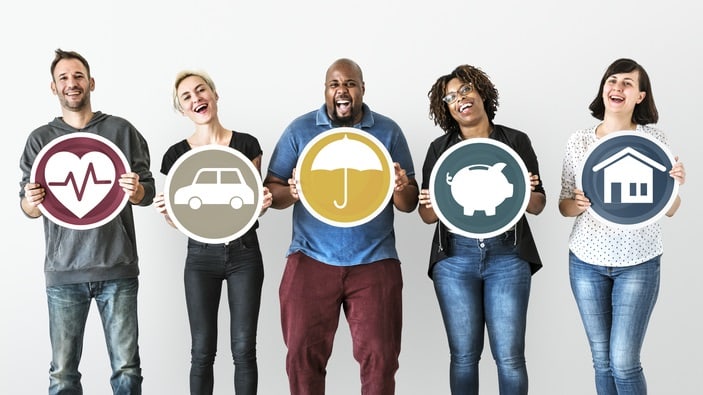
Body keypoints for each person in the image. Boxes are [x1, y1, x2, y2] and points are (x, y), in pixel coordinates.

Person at [264, 58, 418, 395]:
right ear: (325, 91)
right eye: (334, 84)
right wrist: (290, 191)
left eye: (349, 83)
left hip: (375, 260)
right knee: (302, 357)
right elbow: (271, 192)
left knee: (381, 357)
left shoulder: (388, 131)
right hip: (310, 258)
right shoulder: (300, 130)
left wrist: (400, 186)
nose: (342, 90)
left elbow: (408, 204)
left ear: (362, 89)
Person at [18, 49, 154, 394]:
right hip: (64, 271)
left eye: (78, 76)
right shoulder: (40, 139)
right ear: (53, 87)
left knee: (127, 370)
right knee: (63, 374)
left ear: (91, 82)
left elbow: (148, 192)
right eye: (63, 77)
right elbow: (29, 206)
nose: (71, 83)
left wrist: (137, 191)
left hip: (117, 267)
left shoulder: (121, 131)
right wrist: (30, 203)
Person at [558, 58, 685, 394]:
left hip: (639, 262)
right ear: (603, 89)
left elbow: (670, 209)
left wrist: (674, 185)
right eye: (612, 80)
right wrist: (577, 203)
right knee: (602, 361)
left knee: (624, 362)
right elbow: (564, 206)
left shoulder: (653, 139)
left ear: (640, 96)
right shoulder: (579, 141)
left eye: (628, 83)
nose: (617, 87)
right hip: (586, 262)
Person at [418, 64, 546, 395]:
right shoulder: (439, 149)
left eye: (465, 90)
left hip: (508, 255)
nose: (460, 98)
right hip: (455, 258)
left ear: (481, 93)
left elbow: (538, 205)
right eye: (450, 97)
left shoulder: (515, 141)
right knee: (463, 357)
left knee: (510, 359)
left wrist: (527, 191)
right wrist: (428, 201)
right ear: (445, 108)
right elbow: (428, 216)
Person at [153, 70, 273, 395]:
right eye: (186, 97)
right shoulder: (176, 156)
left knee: (244, 349)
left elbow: (250, 207)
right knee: (202, 351)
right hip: (200, 257)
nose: (196, 99)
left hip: (244, 254)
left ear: (215, 94)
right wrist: (169, 215)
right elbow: (181, 221)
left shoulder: (247, 145)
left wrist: (262, 203)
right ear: (182, 110)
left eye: (200, 90)